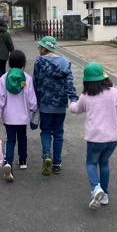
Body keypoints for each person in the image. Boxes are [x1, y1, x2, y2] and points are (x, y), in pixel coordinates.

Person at [69, 62, 117, 210]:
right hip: (112, 139)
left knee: (91, 163)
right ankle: (104, 195)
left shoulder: (86, 96)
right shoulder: (114, 92)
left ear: (86, 81)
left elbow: (76, 109)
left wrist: (71, 101)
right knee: (104, 163)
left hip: (95, 139)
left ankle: (95, 188)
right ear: (104, 78)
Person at [33, 36, 78, 176]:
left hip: (45, 103)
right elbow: (69, 83)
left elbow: (36, 81)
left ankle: (47, 155)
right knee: (58, 133)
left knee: (45, 131)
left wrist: (35, 100)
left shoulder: (39, 61)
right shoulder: (65, 63)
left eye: (40, 47)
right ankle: (57, 163)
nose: (39, 49)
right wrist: (73, 99)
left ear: (45, 48)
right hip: (60, 104)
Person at [0, 50, 37, 182]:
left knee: (10, 140)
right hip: (22, 117)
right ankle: (23, 161)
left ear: (9, 63)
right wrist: (33, 108)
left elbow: (0, 98)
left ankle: (8, 163)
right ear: (23, 63)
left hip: (9, 117)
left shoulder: (4, 78)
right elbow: (31, 99)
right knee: (23, 138)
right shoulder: (26, 79)